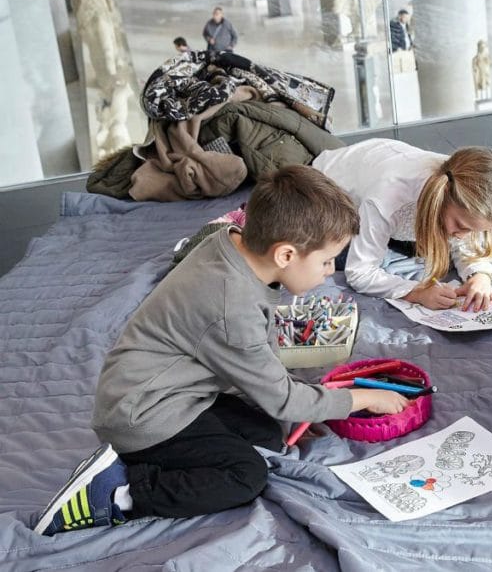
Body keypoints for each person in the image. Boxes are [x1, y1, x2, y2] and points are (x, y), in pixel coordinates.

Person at [33, 167, 410, 536]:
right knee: (246, 476)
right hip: (142, 416)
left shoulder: (230, 240)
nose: (329, 272)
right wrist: (357, 398)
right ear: (285, 255)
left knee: (267, 433)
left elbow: (260, 369)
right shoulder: (231, 307)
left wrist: (300, 405)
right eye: (327, 261)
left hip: (173, 392)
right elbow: (281, 397)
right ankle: (120, 491)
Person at [312, 139, 492, 312]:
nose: (462, 236)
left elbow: (467, 246)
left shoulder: (460, 184)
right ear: (440, 200)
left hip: (379, 167)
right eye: (460, 225)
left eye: (473, 230)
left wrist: (479, 276)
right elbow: (359, 272)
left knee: (432, 245)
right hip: (323, 198)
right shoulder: (387, 198)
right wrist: (416, 292)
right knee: (342, 258)